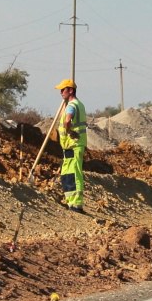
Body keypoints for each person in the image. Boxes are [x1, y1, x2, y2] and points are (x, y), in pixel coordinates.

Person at [53, 78, 88, 212]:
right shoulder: (80, 104)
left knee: (74, 173)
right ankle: (71, 202)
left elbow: (68, 120)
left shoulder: (72, 106)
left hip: (74, 144)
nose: (61, 92)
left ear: (71, 90)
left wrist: (69, 131)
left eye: (63, 89)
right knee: (67, 174)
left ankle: (76, 205)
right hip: (69, 146)